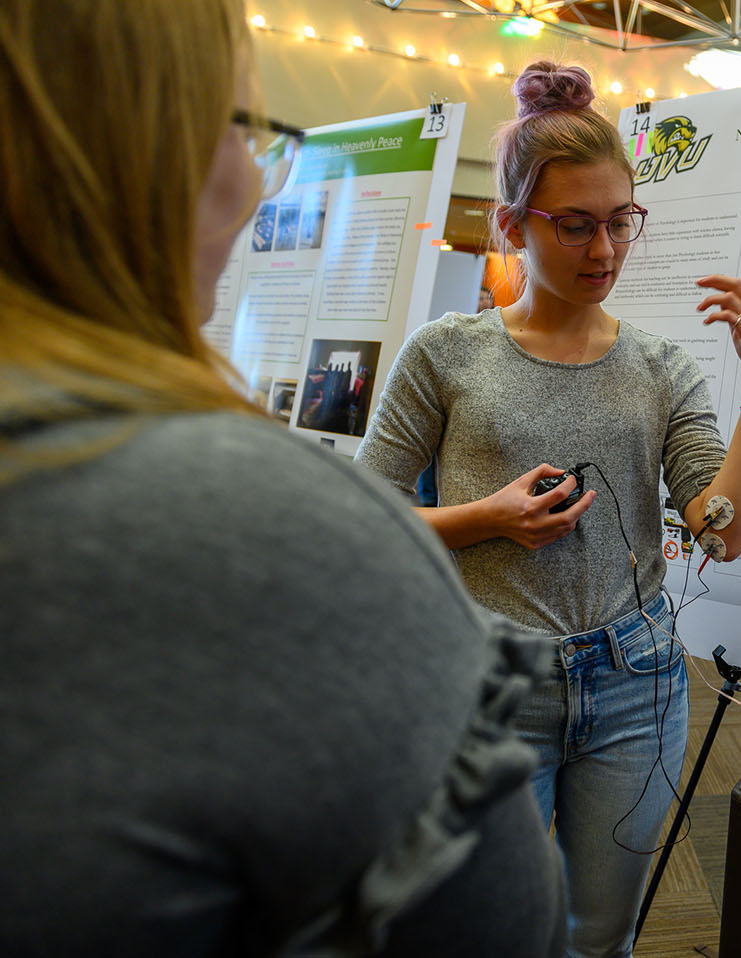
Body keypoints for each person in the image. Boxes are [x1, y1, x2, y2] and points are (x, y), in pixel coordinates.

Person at [0, 2, 564, 954]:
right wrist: (482, 518)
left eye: (618, 224)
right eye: (248, 133)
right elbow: (501, 929)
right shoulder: (264, 526)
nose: (260, 185)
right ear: (159, 155)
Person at [354, 62, 741, 956]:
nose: (606, 253)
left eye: (621, 223)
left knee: (601, 938)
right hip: (488, 682)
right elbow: (362, 524)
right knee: (481, 932)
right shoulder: (449, 354)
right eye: (577, 226)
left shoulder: (663, 367)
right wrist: (487, 518)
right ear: (512, 225)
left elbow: (722, 533)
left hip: (636, 681)